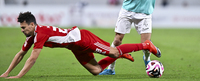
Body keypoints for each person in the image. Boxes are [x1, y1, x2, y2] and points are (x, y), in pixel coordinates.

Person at [0, 11, 161, 79]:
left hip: (81, 39)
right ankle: (119, 54)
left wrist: (19, 76)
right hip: (74, 47)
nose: (22, 30)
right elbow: (20, 54)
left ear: (32, 25)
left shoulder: (40, 34)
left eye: (23, 27)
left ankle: (146, 45)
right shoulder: (32, 36)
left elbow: (32, 59)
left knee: (112, 52)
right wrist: (7, 72)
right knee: (96, 71)